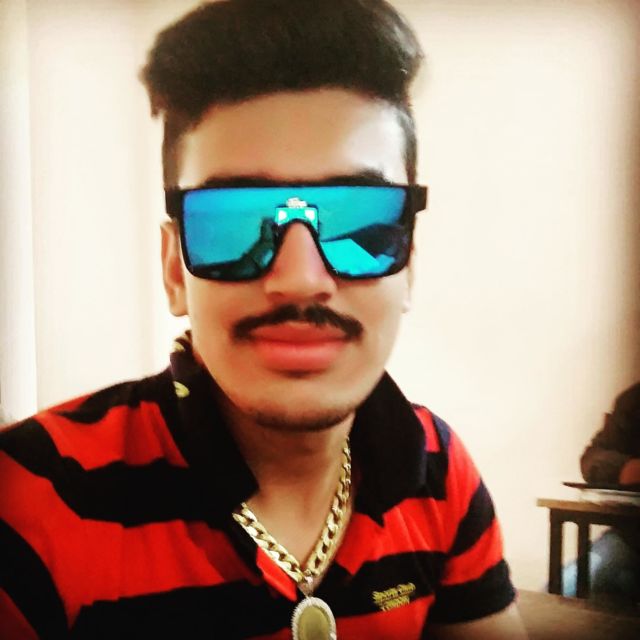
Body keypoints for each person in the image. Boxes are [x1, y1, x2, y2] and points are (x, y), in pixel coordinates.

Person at [0, 1, 527, 637]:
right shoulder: (29, 494)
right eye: (233, 223)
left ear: (408, 266)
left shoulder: (439, 471)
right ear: (174, 272)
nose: (301, 279)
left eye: (361, 221)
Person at [562, 382, 640, 604]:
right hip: (632, 540)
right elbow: (592, 458)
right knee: (559, 592)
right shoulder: (634, 400)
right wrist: (624, 468)